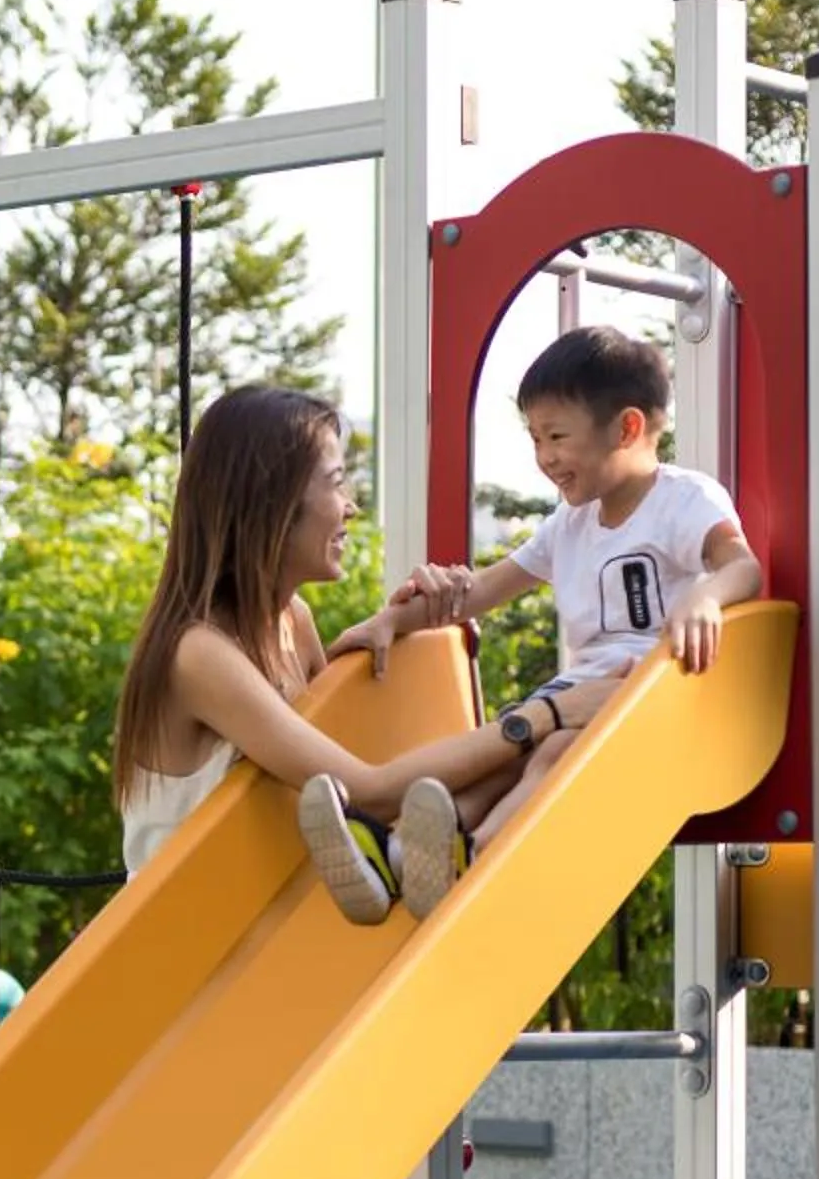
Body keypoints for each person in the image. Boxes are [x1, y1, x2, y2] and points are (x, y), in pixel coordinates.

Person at [89, 381, 536, 1179]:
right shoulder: (198, 654)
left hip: (256, 1026)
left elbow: (327, 685)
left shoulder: (276, 627)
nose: (349, 502)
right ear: (266, 502)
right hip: (172, 1035)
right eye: (334, 480)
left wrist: (385, 630)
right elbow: (364, 782)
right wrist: (536, 731)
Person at [298, 324, 762, 923]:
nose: (544, 458)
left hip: (648, 696)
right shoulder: (570, 525)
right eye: (535, 438)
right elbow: (482, 591)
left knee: (551, 754)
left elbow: (742, 567)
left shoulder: (683, 500)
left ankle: (477, 858)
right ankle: (396, 854)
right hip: (577, 694)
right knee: (495, 762)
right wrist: (392, 620)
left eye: (557, 436)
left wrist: (705, 600)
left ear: (626, 428)